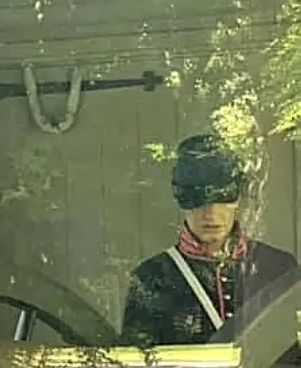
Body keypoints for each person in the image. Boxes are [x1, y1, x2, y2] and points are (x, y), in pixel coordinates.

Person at [121, 132, 298, 349]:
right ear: (182, 202)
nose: (211, 214)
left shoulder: (278, 268)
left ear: (238, 199)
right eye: (199, 201)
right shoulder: (151, 279)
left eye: (222, 199)